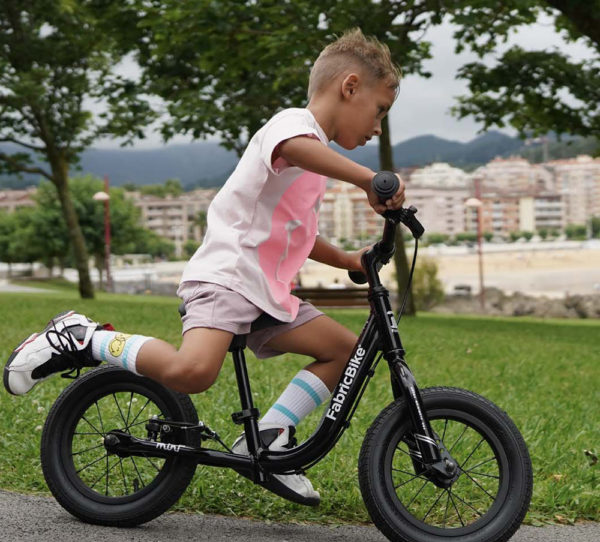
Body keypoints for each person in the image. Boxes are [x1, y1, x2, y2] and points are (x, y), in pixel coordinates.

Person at [4, 28, 405, 506]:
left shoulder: (313, 159)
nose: (378, 126)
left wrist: (345, 258)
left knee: (345, 351)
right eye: (380, 110)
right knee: (192, 371)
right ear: (350, 86)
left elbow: (294, 229)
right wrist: (369, 179)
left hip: (267, 294)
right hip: (227, 279)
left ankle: (270, 435)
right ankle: (81, 337)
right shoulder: (292, 127)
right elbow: (294, 147)